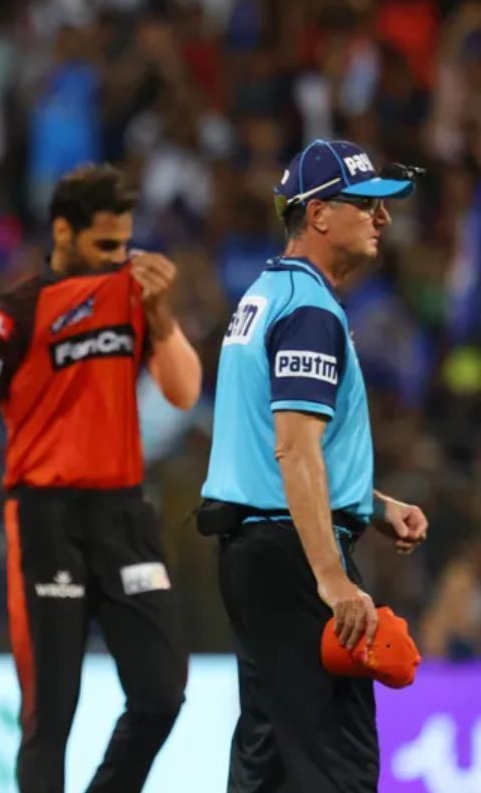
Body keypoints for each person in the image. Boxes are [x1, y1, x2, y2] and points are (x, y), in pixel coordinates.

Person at [0, 162, 202, 792]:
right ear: (62, 232)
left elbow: (184, 391)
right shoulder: (9, 314)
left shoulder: (135, 296)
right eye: (104, 245)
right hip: (45, 518)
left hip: (124, 514)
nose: (118, 257)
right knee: (49, 717)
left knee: (162, 692)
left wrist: (161, 314)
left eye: (125, 244)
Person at [199, 139, 430, 793]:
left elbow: (273, 442)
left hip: (254, 549)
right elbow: (294, 449)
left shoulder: (265, 295)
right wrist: (331, 579)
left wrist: (375, 505)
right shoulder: (310, 312)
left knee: (268, 759)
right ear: (320, 214)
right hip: (296, 552)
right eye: (366, 205)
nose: (381, 220)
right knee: (337, 762)